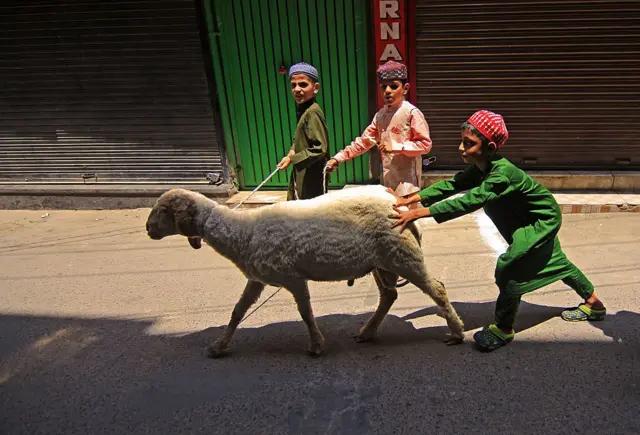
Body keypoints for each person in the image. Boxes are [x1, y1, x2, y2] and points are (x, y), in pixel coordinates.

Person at [388, 110, 606, 351]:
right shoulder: (483, 166)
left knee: (510, 268)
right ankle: (594, 304)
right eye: (461, 141)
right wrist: (407, 199)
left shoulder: (501, 174)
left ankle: (503, 329)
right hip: (522, 219)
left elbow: (469, 200)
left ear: (490, 147)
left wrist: (416, 213)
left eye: (469, 144)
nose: (461, 148)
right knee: (555, 259)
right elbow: (454, 184)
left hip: (538, 221)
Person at [325, 60, 432, 205]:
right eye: (383, 87)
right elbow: (363, 142)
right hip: (388, 180)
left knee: (407, 218)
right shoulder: (380, 115)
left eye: (394, 86)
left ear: (405, 88)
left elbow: (425, 145)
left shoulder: (411, 113)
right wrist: (338, 158)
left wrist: (397, 147)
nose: (388, 91)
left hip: (408, 184)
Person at [277, 62, 329, 200]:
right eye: (293, 85)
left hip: (311, 175)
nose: (297, 89)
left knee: (309, 213)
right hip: (303, 171)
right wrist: (289, 155)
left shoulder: (312, 113)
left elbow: (320, 148)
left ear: (316, 88)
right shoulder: (304, 109)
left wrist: (293, 159)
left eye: (303, 84)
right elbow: (300, 139)